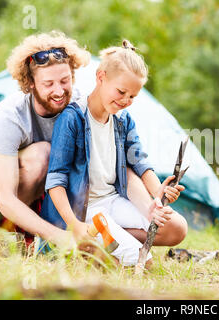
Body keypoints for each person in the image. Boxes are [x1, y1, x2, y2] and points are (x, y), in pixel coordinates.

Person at [41, 40, 188, 267]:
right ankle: (89, 242)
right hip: (84, 211)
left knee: (176, 228)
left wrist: (158, 190)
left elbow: (138, 161)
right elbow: (55, 181)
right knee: (143, 265)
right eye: (121, 92)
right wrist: (74, 225)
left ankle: (108, 244)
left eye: (132, 97)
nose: (125, 101)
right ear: (101, 77)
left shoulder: (123, 119)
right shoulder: (72, 118)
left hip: (112, 201)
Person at [0, 31, 91, 248]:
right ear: (30, 83)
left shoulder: (80, 106)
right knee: (43, 153)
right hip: (0, 188)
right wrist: (59, 237)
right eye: (48, 84)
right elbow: (6, 200)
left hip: (51, 186)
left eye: (65, 80)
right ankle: (5, 237)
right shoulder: (11, 115)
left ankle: (48, 239)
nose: (59, 91)